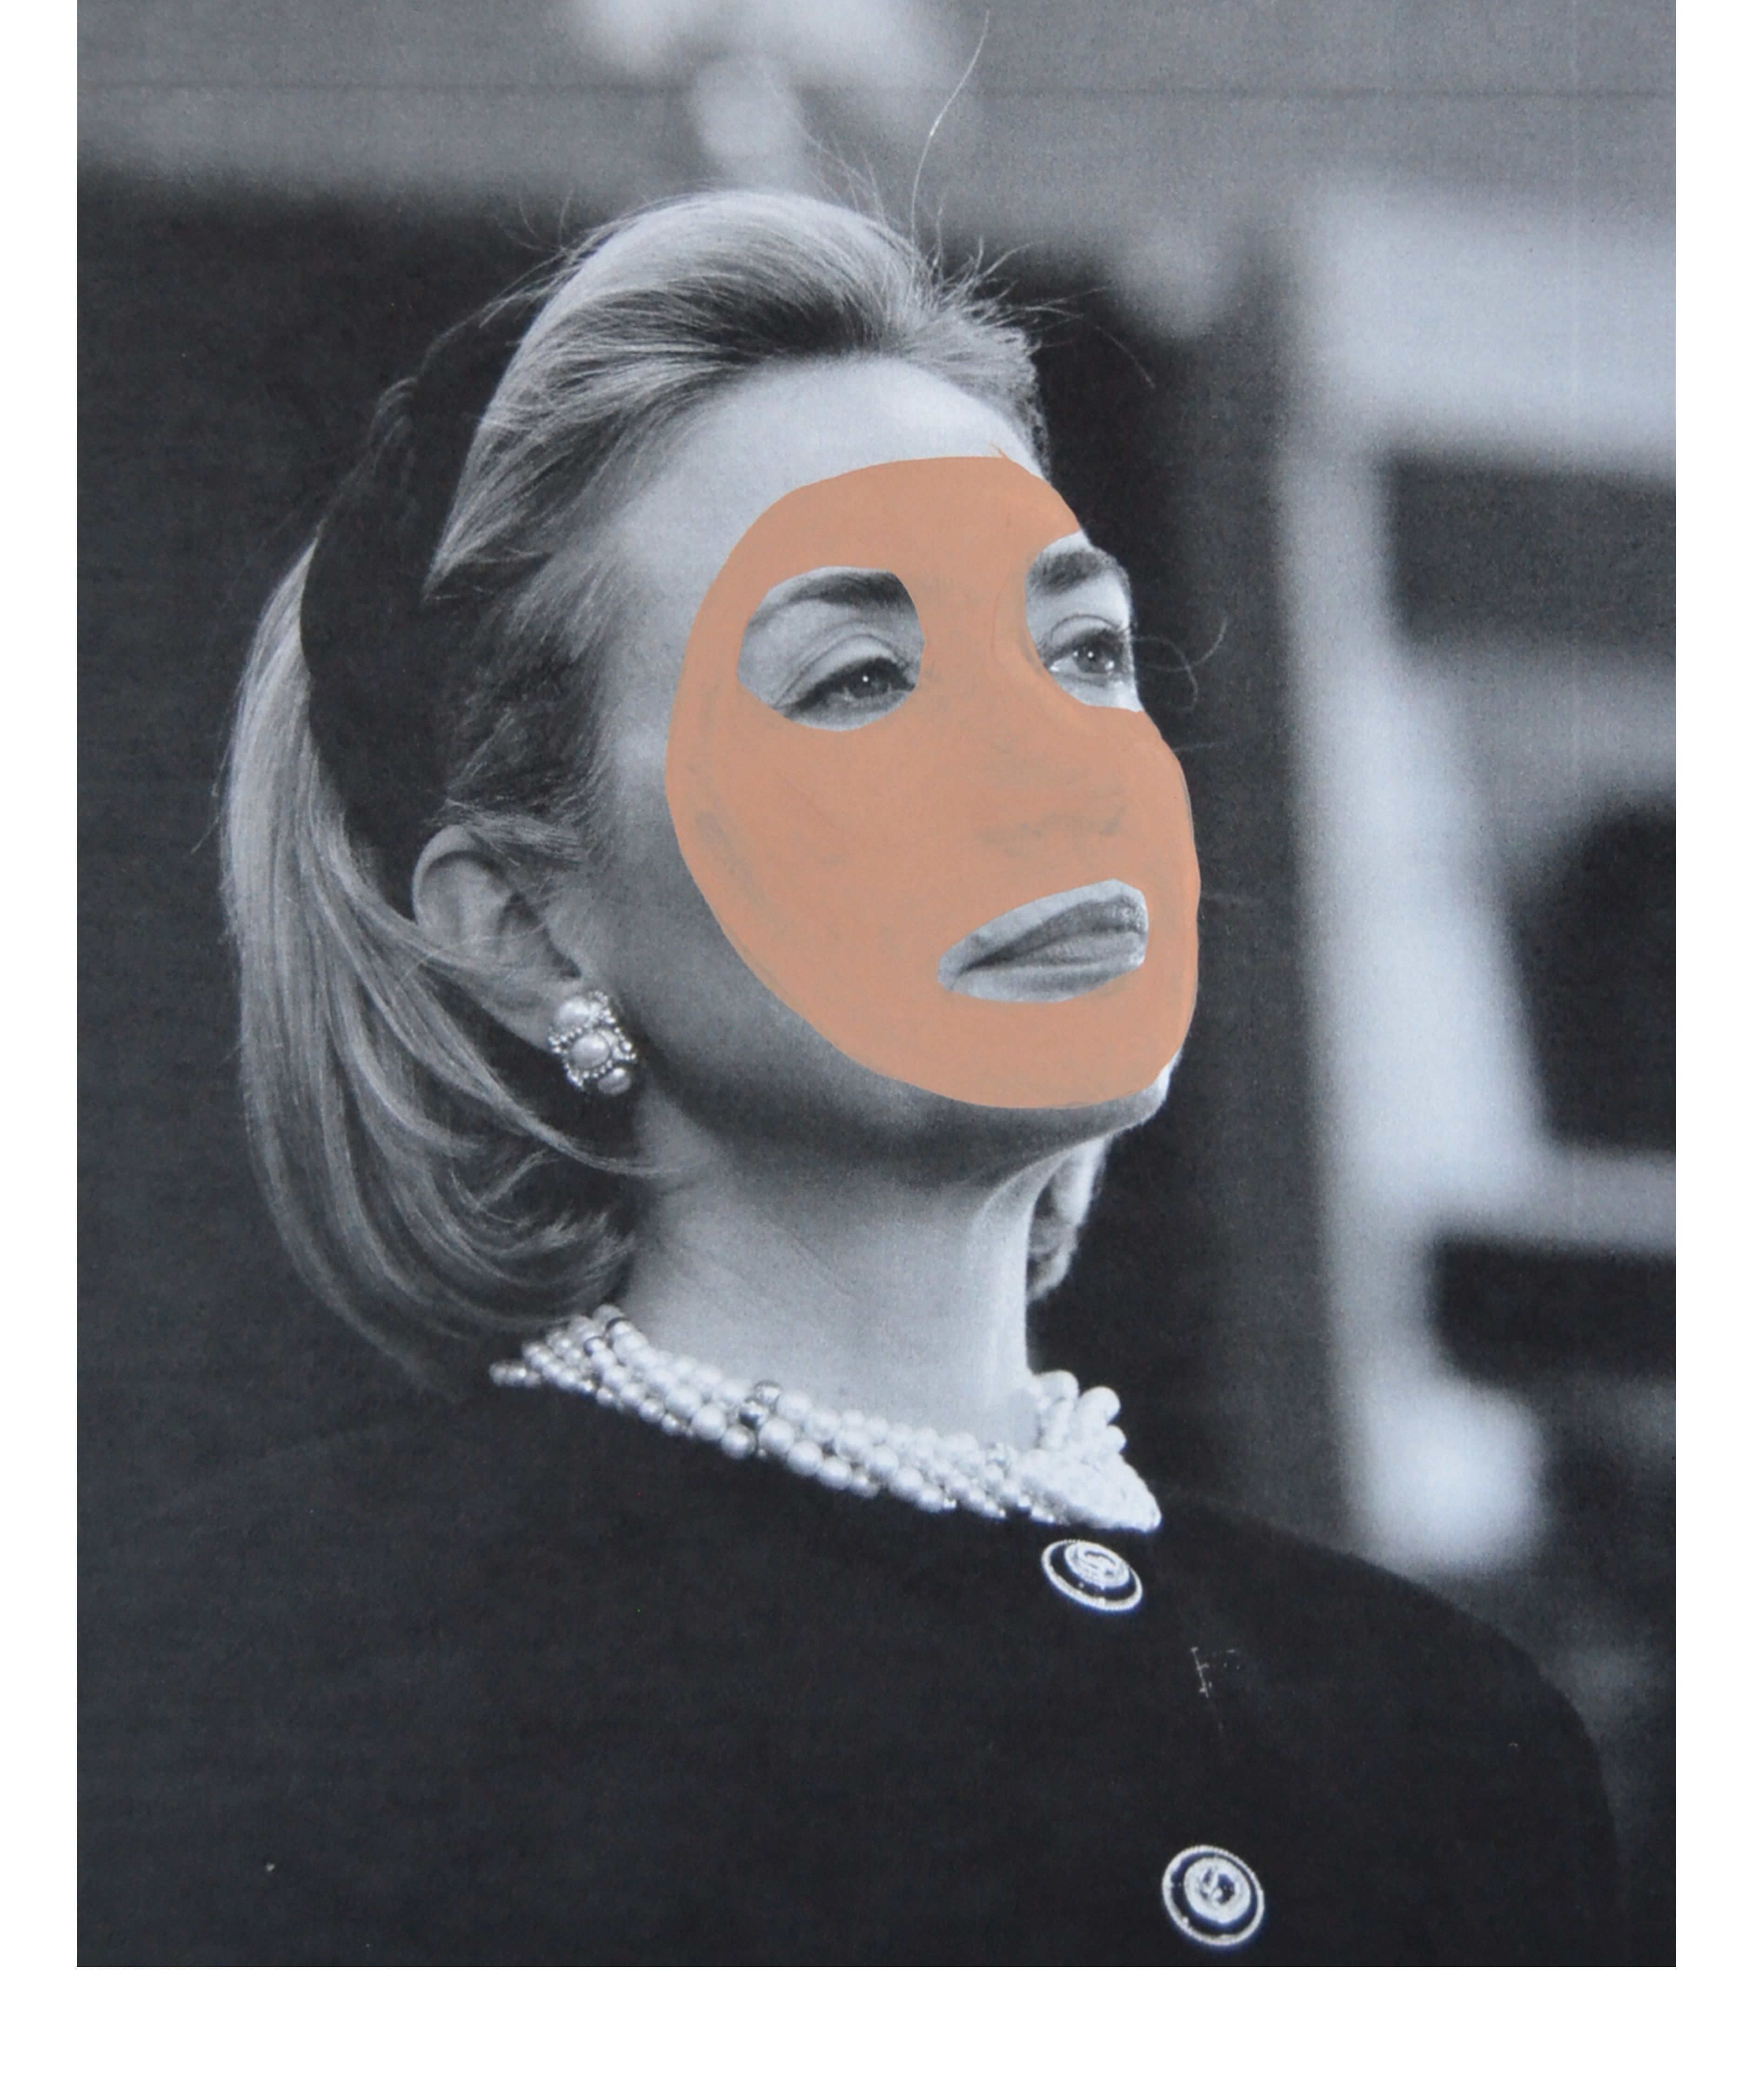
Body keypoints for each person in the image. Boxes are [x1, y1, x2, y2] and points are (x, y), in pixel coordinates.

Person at [80, 192, 1622, 1965]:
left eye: (1086, 653)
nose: (1058, 770)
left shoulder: (1452, 1732)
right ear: (520, 926)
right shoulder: (263, 1681)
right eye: (859, 677)